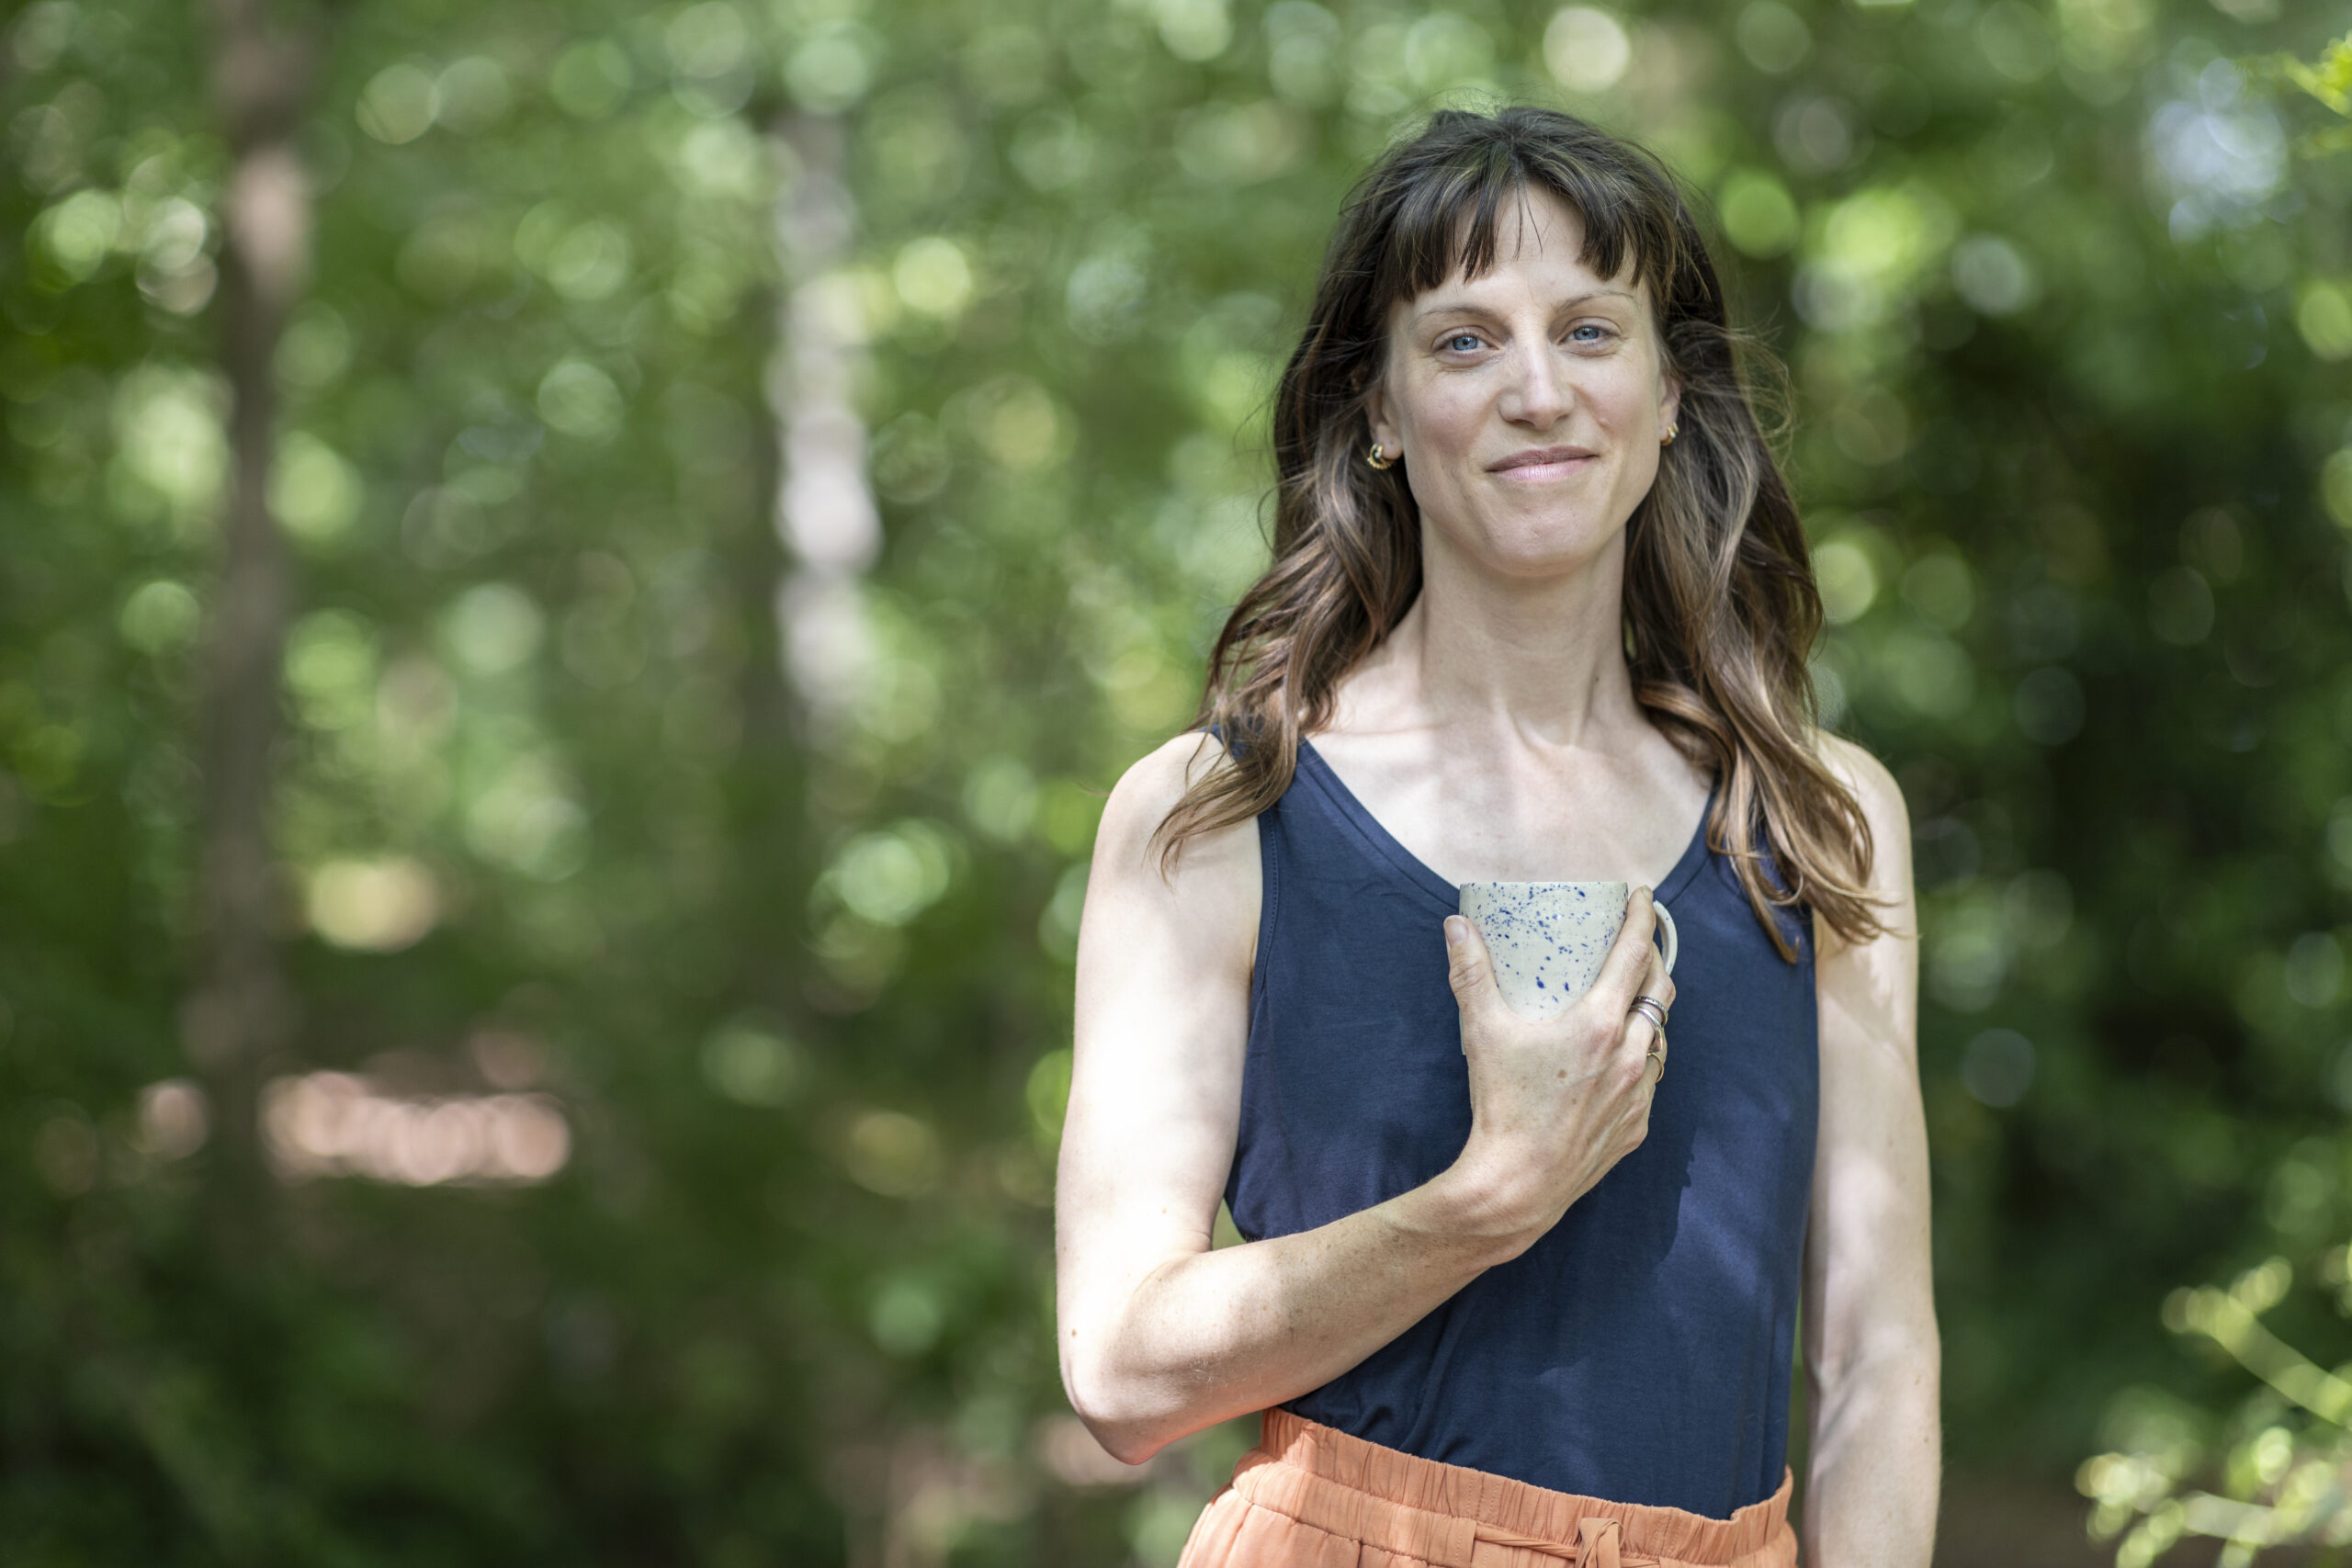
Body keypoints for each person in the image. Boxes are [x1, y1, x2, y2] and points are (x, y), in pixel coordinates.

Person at [1055, 106, 1937, 1568]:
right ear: (1380, 413)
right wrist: (1492, 1198)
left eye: (1590, 332)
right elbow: (1120, 1372)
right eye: (1465, 342)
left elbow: (1878, 1360)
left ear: (1668, 392)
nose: (1539, 391)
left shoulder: (1813, 816)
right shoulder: (1218, 814)